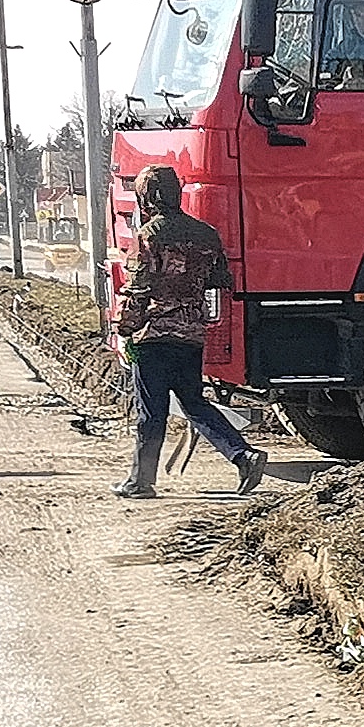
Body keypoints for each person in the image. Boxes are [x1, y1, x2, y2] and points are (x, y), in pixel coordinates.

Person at [112, 163, 266, 497]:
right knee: (195, 403)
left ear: (148, 197)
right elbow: (220, 279)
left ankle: (141, 482)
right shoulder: (206, 234)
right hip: (192, 334)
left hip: (153, 338)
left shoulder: (148, 236)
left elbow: (138, 290)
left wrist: (123, 329)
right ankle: (244, 456)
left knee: (151, 411)